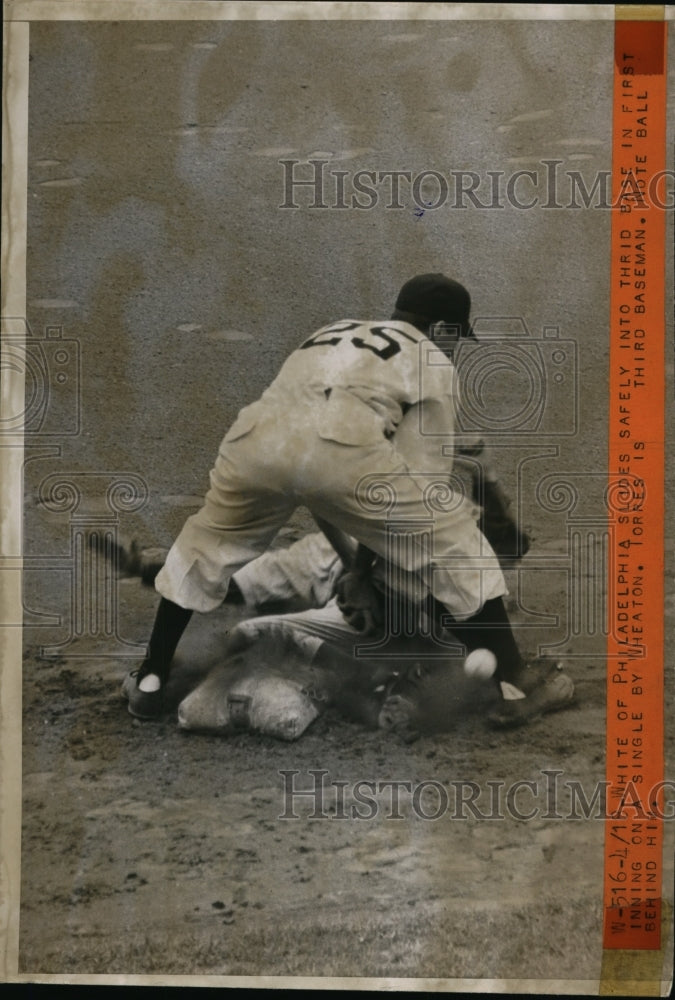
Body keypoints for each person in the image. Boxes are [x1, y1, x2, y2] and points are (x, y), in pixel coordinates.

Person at [124, 273, 573, 729]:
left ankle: (150, 681)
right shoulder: (432, 360)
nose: (456, 348)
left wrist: (356, 563)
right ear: (441, 330)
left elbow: (310, 474)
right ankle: (518, 683)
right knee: (456, 542)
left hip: (255, 441)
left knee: (203, 547)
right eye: (457, 337)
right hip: (346, 452)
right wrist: (361, 572)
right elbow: (416, 487)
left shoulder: (330, 334)